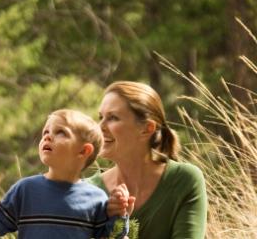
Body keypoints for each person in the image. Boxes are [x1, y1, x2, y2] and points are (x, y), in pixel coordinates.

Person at [0, 109, 124, 238]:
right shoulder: (26, 189)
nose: (48, 137)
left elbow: (113, 235)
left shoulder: (95, 198)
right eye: (46, 132)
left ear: (83, 151)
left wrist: (118, 214)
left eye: (61, 132)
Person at [87, 81, 207, 238]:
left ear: (147, 128)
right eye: (101, 117)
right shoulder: (88, 192)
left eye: (113, 118)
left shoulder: (184, 180)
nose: (99, 127)